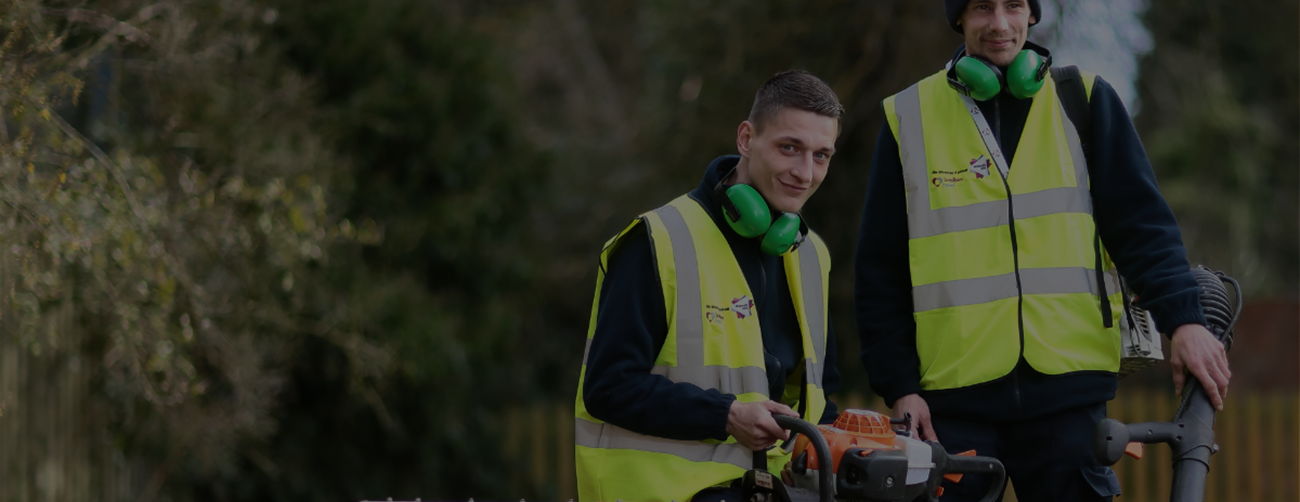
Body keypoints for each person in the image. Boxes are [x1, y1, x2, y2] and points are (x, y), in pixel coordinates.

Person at [853, 1, 1232, 501]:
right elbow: (879, 271)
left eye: (1014, 5)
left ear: (1033, 15)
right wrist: (900, 386)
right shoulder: (907, 116)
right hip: (951, 405)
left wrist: (1182, 319)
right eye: (982, 7)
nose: (1000, 23)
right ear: (959, 19)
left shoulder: (1085, 100)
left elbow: (1142, 226)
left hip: (1069, 397)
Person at [574, 70, 844, 502]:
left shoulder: (813, 255)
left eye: (821, 155)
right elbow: (609, 387)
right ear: (745, 139)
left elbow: (817, 397)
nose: (804, 172)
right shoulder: (657, 240)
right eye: (789, 148)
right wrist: (726, 415)